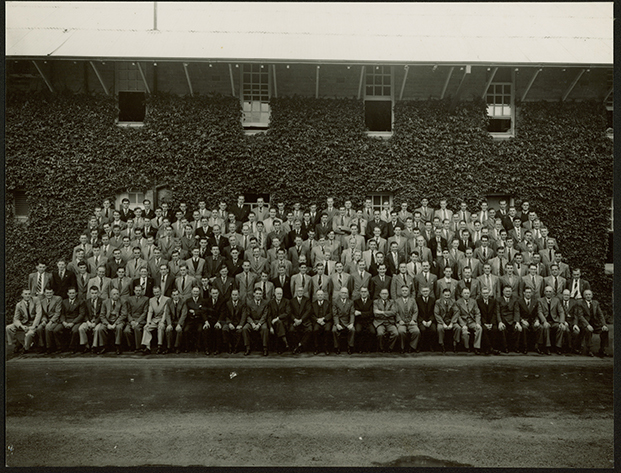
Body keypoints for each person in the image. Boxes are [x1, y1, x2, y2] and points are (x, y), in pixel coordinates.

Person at [7, 289, 43, 354]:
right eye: (25, 294)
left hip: (33, 322)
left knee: (30, 333)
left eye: (29, 294)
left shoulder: (36, 300)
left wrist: (34, 326)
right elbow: (15, 319)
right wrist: (21, 326)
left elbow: (39, 314)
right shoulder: (19, 305)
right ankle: (18, 343)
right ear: (22, 295)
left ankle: (26, 348)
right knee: (8, 328)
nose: (27, 296)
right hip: (24, 323)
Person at [53, 287, 85, 353]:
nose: (72, 295)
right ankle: (60, 347)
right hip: (66, 320)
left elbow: (81, 315)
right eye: (70, 293)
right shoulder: (64, 302)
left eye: (73, 293)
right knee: (56, 330)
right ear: (67, 294)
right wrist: (64, 322)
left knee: (75, 331)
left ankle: (72, 348)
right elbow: (62, 314)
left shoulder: (80, 302)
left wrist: (73, 323)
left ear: (76, 293)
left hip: (76, 321)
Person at [537, 286, 567, 355]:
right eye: (547, 291)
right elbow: (539, 312)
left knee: (561, 328)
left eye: (550, 291)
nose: (548, 293)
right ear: (544, 292)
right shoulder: (540, 300)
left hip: (554, 321)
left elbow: (561, 312)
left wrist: (561, 322)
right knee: (546, 327)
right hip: (545, 321)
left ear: (552, 292)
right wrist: (544, 321)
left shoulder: (556, 300)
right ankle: (547, 347)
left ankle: (558, 347)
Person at [140, 286, 169, 354]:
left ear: (161, 291)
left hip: (163, 319)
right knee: (146, 328)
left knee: (160, 327)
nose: (156, 294)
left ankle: (160, 346)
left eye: (158, 292)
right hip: (155, 319)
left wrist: (162, 322)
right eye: (155, 292)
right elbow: (150, 311)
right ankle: (147, 347)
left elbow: (166, 312)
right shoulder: (151, 300)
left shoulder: (166, 299)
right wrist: (148, 322)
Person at [241, 287, 270, 356]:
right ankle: (247, 348)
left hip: (261, 321)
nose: (258, 295)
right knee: (245, 328)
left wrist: (259, 324)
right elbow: (247, 315)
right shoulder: (249, 302)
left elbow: (265, 315)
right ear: (254, 294)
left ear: (262, 295)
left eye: (260, 294)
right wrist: (252, 324)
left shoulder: (265, 303)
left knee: (265, 329)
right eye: (257, 294)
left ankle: (265, 348)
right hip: (252, 321)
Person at [579, 289, 609, 357]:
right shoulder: (581, 303)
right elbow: (580, 316)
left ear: (592, 295)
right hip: (585, 324)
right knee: (588, 331)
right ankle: (589, 350)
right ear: (584, 296)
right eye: (586, 295)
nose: (588, 296)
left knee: (605, 331)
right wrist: (587, 325)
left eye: (589, 294)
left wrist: (604, 325)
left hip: (595, 324)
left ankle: (602, 349)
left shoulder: (596, 303)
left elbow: (600, 315)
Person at [452, 287, 482, 354]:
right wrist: (463, 325)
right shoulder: (457, 302)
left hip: (471, 321)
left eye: (468, 293)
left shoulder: (473, 301)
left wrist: (477, 323)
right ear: (462, 294)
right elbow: (457, 315)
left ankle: (476, 347)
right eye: (465, 293)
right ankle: (467, 347)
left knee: (479, 329)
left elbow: (477, 313)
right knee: (465, 332)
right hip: (463, 321)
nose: (466, 294)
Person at [96, 288, 124, 354]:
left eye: (117, 294)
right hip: (108, 320)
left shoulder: (122, 302)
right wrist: (107, 324)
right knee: (101, 329)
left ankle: (118, 346)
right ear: (110, 295)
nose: (116, 295)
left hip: (118, 321)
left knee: (119, 328)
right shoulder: (105, 302)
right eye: (114, 294)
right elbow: (102, 315)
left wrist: (115, 324)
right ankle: (103, 346)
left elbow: (123, 315)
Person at [122, 284, 149, 352]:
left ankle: (138, 347)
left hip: (140, 319)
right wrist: (131, 321)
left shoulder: (146, 299)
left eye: (139, 290)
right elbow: (128, 311)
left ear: (142, 291)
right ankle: (131, 345)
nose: (138, 292)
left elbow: (145, 312)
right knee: (126, 331)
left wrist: (138, 321)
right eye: (136, 290)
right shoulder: (130, 299)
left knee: (137, 328)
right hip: (132, 319)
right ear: (134, 291)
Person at [395, 285, 420, 353]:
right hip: (401, 322)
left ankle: (412, 347)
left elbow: (415, 311)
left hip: (411, 321)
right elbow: (396, 312)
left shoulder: (413, 300)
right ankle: (402, 347)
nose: (404, 292)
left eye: (406, 290)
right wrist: (399, 320)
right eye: (403, 291)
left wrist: (413, 320)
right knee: (401, 332)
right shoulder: (397, 301)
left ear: (408, 291)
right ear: (401, 292)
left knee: (416, 331)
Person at [497, 286, 521, 354]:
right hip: (503, 320)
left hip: (512, 320)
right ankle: (505, 348)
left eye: (509, 291)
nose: (508, 293)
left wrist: (517, 322)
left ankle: (515, 347)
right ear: (503, 292)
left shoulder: (515, 300)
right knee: (502, 329)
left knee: (517, 329)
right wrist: (500, 322)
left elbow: (517, 311)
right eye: (506, 291)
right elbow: (498, 312)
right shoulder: (498, 300)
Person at [373, 288, 398, 353]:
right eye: (383, 294)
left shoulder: (392, 302)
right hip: (380, 322)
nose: (384, 295)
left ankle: (390, 347)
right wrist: (387, 313)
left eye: (386, 294)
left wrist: (382, 312)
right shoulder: (376, 302)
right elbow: (375, 313)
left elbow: (394, 312)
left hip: (390, 322)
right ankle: (382, 348)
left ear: (388, 295)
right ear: (380, 294)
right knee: (380, 334)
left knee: (395, 333)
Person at [477, 286, 500, 355]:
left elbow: (494, 313)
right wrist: (484, 323)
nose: (485, 295)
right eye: (484, 293)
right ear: (481, 294)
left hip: (491, 321)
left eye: (487, 293)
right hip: (483, 321)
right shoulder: (478, 302)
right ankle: (488, 348)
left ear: (489, 293)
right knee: (484, 330)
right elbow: (479, 314)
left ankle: (492, 347)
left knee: (495, 329)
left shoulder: (493, 301)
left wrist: (492, 323)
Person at [79, 286, 103, 353]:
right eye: (92, 293)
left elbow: (102, 314)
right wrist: (88, 322)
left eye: (95, 293)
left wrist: (95, 322)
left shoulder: (102, 301)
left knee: (96, 329)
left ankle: (94, 346)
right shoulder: (86, 302)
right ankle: (85, 345)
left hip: (98, 321)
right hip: (88, 320)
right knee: (81, 328)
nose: (94, 295)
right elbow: (85, 314)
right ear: (89, 293)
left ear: (98, 293)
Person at [332, 287, 355, 354]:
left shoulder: (350, 302)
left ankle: (350, 347)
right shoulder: (335, 302)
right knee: (334, 330)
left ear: (347, 294)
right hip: (339, 321)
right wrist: (337, 324)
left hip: (348, 321)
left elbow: (352, 313)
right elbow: (335, 314)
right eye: (342, 292)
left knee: (352, 330)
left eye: (345, 293)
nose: (344, 294)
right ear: (339, 293)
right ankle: (337, 347)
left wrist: (351, 323)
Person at [290, 286, 313, 354]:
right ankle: (296, 346)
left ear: (303, 292)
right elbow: (290, 312)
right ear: (296, 292)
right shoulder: (292, 301)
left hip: (305, 321)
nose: (300, 292)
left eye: (301, 291)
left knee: (309, 329)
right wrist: (295, 319)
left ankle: (300, 345)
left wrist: (301, 320)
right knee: (291, 330)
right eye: (299, 291)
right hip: (295, 321)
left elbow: (308, 311)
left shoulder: (307, 300)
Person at [221, 288, 245, 353]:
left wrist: (240, 325)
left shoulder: (242, 303)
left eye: (236, 295)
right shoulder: (228, 303)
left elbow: (243, 315)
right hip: (230, 322)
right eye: (233, 295)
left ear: (238, 295)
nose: (234, 296)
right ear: (231, 295)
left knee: (239, 331)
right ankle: (229, 347)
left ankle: (236, 348)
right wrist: (229, 323)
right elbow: (226, 316)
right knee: (224, 329)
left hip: (238, 322)